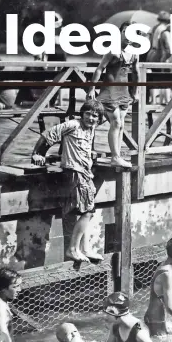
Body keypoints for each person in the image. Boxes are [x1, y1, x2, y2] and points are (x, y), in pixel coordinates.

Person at [31, 99, 105, 263]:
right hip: (74, 173)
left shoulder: (91, 129)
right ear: (82, 113)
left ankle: (85, 248)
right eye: (88, 114)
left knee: (86, 211)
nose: (91, 118)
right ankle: (72, 249)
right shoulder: (72, 125)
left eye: (95, 116)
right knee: (88, 212)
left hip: (86, 174)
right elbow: (49, 134)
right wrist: (38, 153)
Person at [88, 21, 140, 168]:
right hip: (109, 90)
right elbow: (100, 68)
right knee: (116, 122)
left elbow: (136, 73)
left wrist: (135, 92)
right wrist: (92, 88)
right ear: (120, 33)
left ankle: (117, 156)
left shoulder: (134, 53)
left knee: (121, 124)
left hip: (124, 91)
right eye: (126, 32)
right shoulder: (113, 50)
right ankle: (115, 156)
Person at [79, 292, 162, 342]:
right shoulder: (116, 325)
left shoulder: (139, 330)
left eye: (107, 313)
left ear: (115, 313)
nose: (104, 317)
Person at [144, 237, 172, 337]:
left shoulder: (166, 266)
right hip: (155, 321)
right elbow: (170, 307)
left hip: (156, 318)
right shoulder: (167, 274)